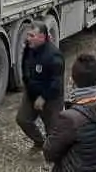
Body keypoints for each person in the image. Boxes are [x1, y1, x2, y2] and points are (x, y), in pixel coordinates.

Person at [15, 22, 64, 154]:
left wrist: (43, 97)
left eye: (32, 35)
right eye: (28, 35)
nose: (28, 38)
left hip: (51, 97)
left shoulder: (54, 56)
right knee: (22, 119)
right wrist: (27, 85)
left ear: (42, 37)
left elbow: (56, 83)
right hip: (32, 93)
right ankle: (39, 142)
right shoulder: (29, 48)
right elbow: (25, 66)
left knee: (53, 130)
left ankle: (54, 154)